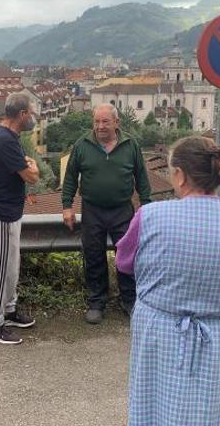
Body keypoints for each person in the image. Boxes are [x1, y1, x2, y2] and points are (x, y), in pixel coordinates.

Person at [116, 136, 220, 425]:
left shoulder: (151, 216)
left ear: (179, 175)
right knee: (209, 410)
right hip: (218, 334)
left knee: (152, 405)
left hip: (160, 330)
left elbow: (124, 262)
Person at [61, 103, 151, 324]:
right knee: (93, 256)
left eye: (105, 122)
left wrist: (147, 208)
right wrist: (67, 206)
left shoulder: (131, 145)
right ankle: (96, 302)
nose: (100, 127)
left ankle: (129, 301)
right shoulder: (82, 144)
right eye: (96, 122)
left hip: (123, 209)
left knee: (128, 257)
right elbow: (71, 178)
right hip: (92, 210)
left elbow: (141, 178)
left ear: (116, 123)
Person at [0, 93, 40, 345]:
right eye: (33, 112)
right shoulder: (5, 140)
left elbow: (23, 170)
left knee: (11, 268)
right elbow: (31, 176)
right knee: (1, 269)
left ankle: (10, 310)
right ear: (22, 114)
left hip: (10, 212)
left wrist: (29, 167)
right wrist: (34, 167)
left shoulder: (10, 137)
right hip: (2, 214)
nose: (35, 117)